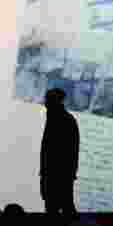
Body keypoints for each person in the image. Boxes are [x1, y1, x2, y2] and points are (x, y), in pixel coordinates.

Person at [40, 88, 79, 216]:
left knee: (58, 208)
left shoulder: (62, 119)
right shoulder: (60, 118)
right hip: (58, 174)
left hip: (58, 175)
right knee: (61, 207)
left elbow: (70, 151)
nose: (45, 102)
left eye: (48, 99)